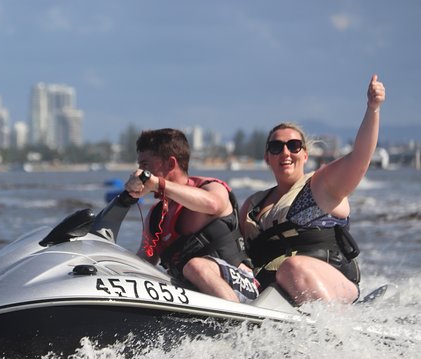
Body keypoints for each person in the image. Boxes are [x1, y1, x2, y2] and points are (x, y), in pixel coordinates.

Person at [239, 74, 386, 305]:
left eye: (294, 146)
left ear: (305, 155)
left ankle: (335, 331)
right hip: (274, 293)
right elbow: (234, 250)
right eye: (276, 147)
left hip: (332, 283)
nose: (286, 153)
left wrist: (373, 109)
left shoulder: (322, 184)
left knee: (291, 267)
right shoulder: (253, 206)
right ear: (267, 157)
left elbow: (360, 158)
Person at [124, 128, 258, 304]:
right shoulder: (156, 215)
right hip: (193, 292)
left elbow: (213, 204)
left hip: (243, 284)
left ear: (171, 164)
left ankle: (238, 327)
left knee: (195, 266)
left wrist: (156, 183)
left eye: (145, 165)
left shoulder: (211, 188)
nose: (139, 172)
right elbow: (144, 260)